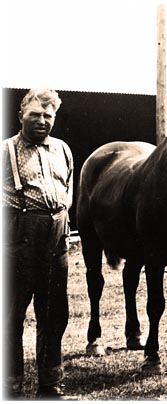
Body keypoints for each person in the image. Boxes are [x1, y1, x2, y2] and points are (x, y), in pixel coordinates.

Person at [3, 89, 74, 398]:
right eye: (35, 114)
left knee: (54, 312)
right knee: (11, 314)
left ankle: (50, 383)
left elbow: (67, 186)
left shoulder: (62, 149)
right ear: (21, 115)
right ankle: (11, 385)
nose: (42, 121)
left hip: (56, 237)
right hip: (19, 239)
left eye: (48, 115)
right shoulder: (6, 151)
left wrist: (61, 219)